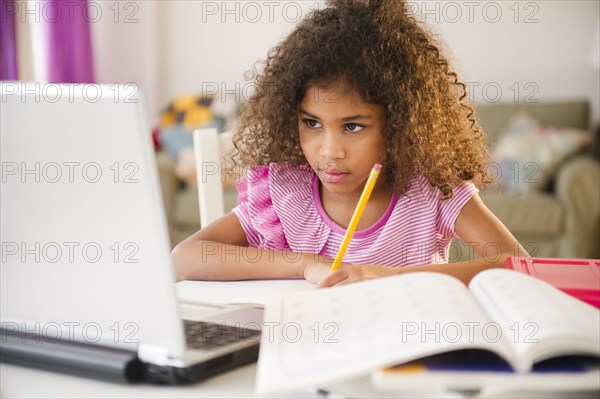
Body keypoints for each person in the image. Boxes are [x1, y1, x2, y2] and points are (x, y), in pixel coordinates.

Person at [171, 0, 528, 287]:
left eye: (353, 127)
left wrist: (389, 277)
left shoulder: (434, 190)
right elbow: (185, 258)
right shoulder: (286, 191)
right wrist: (308, 264)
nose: (329, 151)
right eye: (312, 123)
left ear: (399, 124)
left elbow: (518, 264)